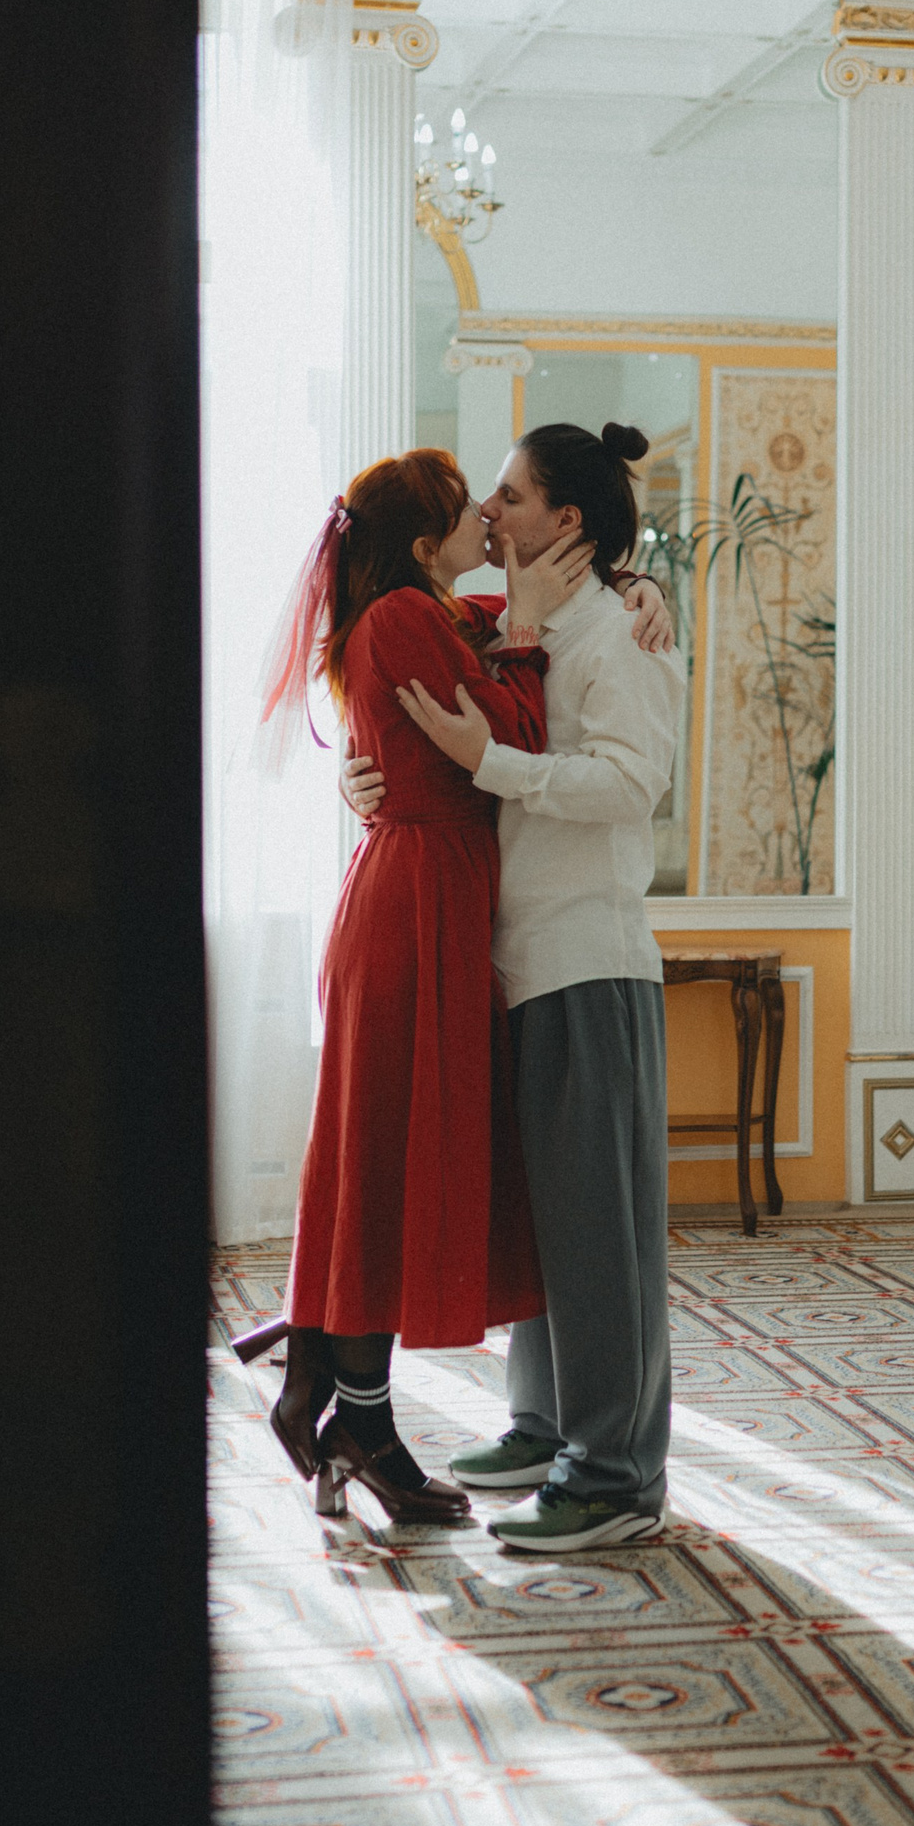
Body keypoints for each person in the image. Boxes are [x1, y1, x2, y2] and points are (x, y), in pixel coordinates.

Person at [238, 448, 591, 1528]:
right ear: (425, 540)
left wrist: (629, 589)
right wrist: (525, 635)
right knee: (385, 1166)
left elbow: (495, 642)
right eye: (464, 506)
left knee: (383, 1160)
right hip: (413, 909)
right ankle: (360, 1420)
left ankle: (326, 1377)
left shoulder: (425, 612)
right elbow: (511, 735)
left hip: (429, 898)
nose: (486, 513)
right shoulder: (402, 616)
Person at [352, 421, 686, 1553]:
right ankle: (545, 1428)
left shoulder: (619, 631)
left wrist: (488, 762)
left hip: (585, 955)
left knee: (600, 1235)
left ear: (566, 520)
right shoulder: (514, 621)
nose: (487, 512)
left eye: (507, 494)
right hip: (515, 961)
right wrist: (364, 778)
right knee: (547, 1221)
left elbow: (632, 784)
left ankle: (616, 1477)